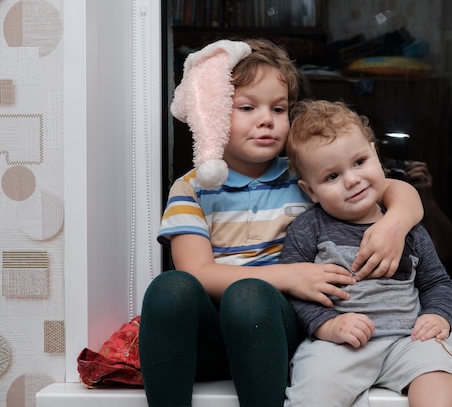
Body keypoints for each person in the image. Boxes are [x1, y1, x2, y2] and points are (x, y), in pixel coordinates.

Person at [138, 39, 425, 407]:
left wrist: (392, 226)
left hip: (280, 334)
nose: (266, 120)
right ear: (211, 113)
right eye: (247, 107)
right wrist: (289, 275)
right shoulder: (192, 188)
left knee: (250, 297)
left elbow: (397, 190)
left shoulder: (303, 178)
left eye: (278, 108)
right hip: (211, 343)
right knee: (169, 288)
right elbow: (198, 271)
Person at [282, 99, 452, 407]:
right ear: (310, 190)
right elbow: (296, 292)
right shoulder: (308, 229)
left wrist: (437, 315)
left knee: (441, 374)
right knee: (313, 389)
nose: (352, 179)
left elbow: (437, 282)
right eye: (332, 176)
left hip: (408, 340)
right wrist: (328, 325)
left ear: (375, 154)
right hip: (340, 345)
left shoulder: (406, 226)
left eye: (359, 162)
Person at [384, 159, 452, 262]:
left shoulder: (418, 216)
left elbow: (445, 251)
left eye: (400, 171)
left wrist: (426, 198)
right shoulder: (367, 207)